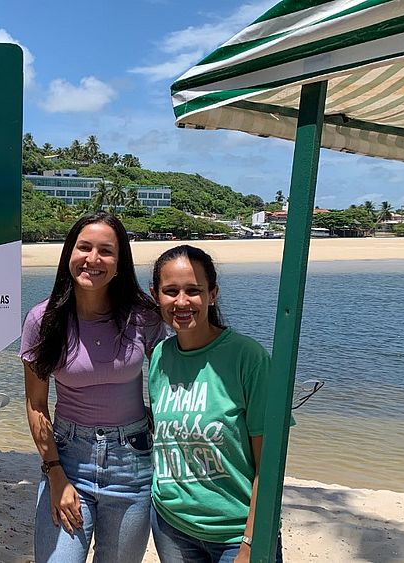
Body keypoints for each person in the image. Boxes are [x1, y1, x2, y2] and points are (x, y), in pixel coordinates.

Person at [21, 212, 166, 563]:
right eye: (84, 247)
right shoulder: (43, 320)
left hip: (132, 465)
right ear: (69, 253)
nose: (93, 259)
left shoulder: (143, 316)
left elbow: (170, 384)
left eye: (106, 251)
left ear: (120, 262)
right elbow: (36, 404)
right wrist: (55, 472)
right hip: (68, 458)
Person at [148, 245, 288, 563]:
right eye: (171, 291)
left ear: (212, 294)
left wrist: (250, 543)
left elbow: (269, 464)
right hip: (172, 526)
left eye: (193, 291)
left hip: (236, 533)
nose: (181, 302)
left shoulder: (247, 358)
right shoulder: (160, 357)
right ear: (156, 295)